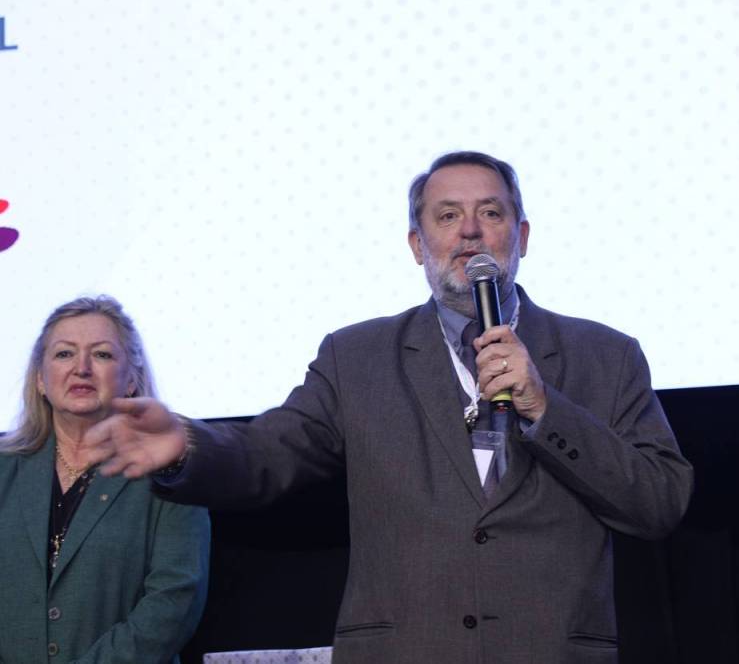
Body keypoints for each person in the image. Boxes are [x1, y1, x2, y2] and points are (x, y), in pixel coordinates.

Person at [84, 151, 694, 663]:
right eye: (447, 215)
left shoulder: (605, 356)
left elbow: (660, 499)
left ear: (522, 236)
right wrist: (189, 446)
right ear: (417, 244)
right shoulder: (357, 358)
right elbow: (270, 451)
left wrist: (544, 407)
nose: (470, 231)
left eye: (490, 213)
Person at [0, 296, 209, 664]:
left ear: (131, 380)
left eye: (102, 354)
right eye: (64, 354)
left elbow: (176, 597)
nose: (81, 368)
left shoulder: (170, 470)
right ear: (40, 379)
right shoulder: (5, 470)